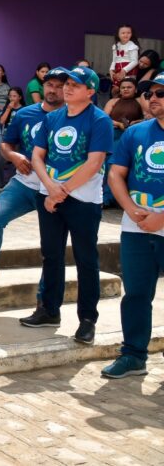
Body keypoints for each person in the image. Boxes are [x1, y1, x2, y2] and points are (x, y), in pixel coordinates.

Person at [23, 66, 113, 344]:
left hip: (83, 200)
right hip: (49, 196)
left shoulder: (100, 120)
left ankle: (87, 320)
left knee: (86, 260)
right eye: (67, 83)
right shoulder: (53, 118)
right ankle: (50, 310)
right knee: (51, 255)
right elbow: (37, 156)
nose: (68, 87)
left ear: (90, 91)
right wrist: (50, 189)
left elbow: (94, 162)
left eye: (76, 84)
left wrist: (61, 191)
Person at [0, 70, 66, 289]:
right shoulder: (25, 114)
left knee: (52, 244)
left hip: (57, 190)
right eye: (50, 85)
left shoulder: (73, 117)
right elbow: (5, 144)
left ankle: (46, 296)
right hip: (25, 183)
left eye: (59, 86)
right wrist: (13, 156)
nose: (53, 90)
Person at [102, 73, 164, 378]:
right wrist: (129, 208)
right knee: (136, 293)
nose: (153, 99)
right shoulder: (136, 133)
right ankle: (133, 355)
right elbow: (116, 173)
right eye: (150, 93)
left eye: (160, 93)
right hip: (136, 228)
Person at [109, 24, 139, 94]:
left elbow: (135, 61)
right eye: (123, 33)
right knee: (115, 89)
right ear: (118, 34)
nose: (126, 35)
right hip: (117, 69)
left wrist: (124, 70)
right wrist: (111, 70)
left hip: (129, 70)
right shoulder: (116, 46)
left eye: (128, 33)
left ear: (131, 34)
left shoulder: (132, 46)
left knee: (127, 89)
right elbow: (114, 60)